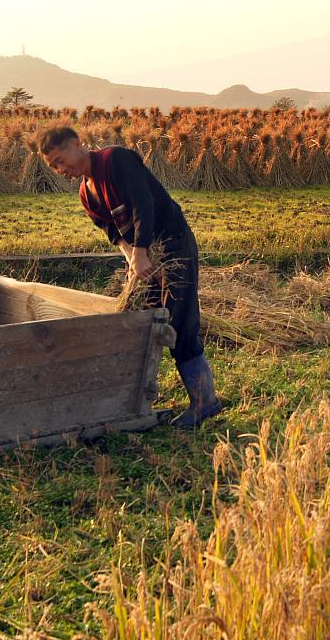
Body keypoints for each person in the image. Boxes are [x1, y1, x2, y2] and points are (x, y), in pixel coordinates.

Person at [38, 126, 222, 427]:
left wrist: (141, 252)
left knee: (179, 320)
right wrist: (132, 261)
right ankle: (138, 398)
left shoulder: (115, 160)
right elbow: (114, 234)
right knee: (145, 321)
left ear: (76, 144)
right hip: (145, 257)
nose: (60, 170)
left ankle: (206, 401)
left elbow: (143, 204)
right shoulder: (86, 194)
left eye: (60, 160)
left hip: (172, 244)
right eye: (53, 166)